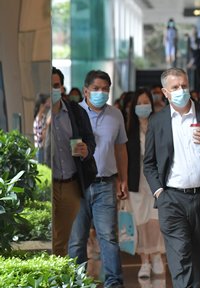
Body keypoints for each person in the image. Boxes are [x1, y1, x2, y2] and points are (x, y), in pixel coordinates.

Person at [143, 67, 200, 288]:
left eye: (184, 85)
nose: (181, 90)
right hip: (172, 199)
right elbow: (149, 163)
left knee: (197, 253)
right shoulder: (158, 121)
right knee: (181, 252)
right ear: (165, 92)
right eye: (175, 87)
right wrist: (159, 193)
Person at [68, 70, 129, 288]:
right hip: (77, 185)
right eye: (96, 89)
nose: (100, 93)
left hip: (105, 183)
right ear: (86, 91)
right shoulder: (73, 114)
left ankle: (114, 282)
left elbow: (121, 149)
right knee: (77, 239)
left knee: (108, 237)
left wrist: (123, 179)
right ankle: (76, 281)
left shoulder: (116, 115)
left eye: (105, 89)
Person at [50, 67, 97, 257]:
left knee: (62, 240)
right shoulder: (37, 113)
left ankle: (57, 274)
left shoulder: (75, 112)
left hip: (71, 183)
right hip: (47, 184)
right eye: (49, 86)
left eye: (56, 85)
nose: (53, 90)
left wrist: (86, 150)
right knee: (47, 237)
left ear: (62, 87)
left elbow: (90, 139)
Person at [126, 88, 166, 279]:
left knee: (155, 219)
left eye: (146, 102)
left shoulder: (158, 125)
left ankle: (157, 255)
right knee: (140, 221)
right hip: (136, 181)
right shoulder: (129, 130)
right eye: (139, 103)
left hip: (155, 181)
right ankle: (144, 261)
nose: (143, 106)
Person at [33, 93, 51, 164]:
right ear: (42, 105)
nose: (49, 104)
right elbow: (41, 136)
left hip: (43, 148)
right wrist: (47, 124)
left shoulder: (43, 117)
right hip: (39, 149)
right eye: (47, 102)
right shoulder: (38, 120)